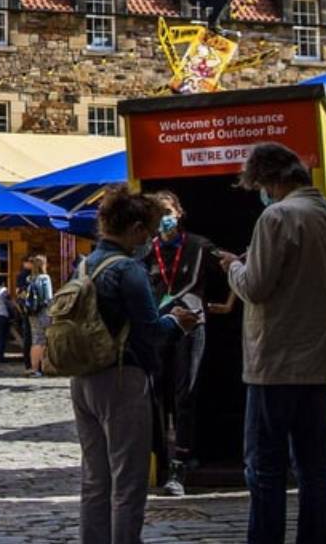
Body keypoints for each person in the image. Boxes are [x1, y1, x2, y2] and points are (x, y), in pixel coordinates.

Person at [214, 144, 326, 544]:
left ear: (269, 180)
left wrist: (234, 266)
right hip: (321, 358)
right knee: (315, 467)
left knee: (265, 468)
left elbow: (256, 288)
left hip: (275, 362)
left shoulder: (277, 216)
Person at [75, 188, 198, 544]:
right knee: (128, 480)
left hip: (83, 378)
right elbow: (151, 333)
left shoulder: (83, 265)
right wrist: (177, 323)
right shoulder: (128, 269)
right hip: (122, 377)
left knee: (95, 480)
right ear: (135, 229)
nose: (151, 239)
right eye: (149, 231)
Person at [138, 191, 233, 495]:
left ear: (179, 213)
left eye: (167, 212)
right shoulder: (146, 250)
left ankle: (180, 465)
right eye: (157, 214)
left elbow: (234, 264)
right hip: (157, 327)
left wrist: (229, 303)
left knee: (185, 395)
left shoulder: (198, 246)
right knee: (156, 395)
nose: (163, 219)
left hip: (191, 327)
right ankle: (160, 461)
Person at [23, 254, 56, 377]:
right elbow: (48, 298)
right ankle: (44, 367)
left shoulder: (31, 278)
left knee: (36, 340)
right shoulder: (45, 278)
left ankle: (34, 368)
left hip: (32, 312)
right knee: (45, 340)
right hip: (43, 312)